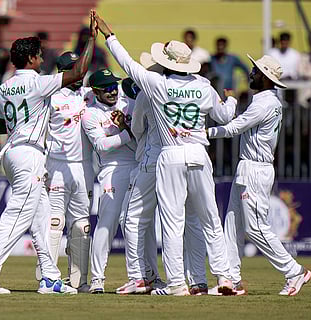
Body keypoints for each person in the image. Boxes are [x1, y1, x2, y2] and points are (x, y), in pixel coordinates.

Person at [95, 13, 237, 296]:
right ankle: (224, 277)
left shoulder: (156, 84)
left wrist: (109, 36)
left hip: (170, 155)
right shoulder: (203, 86)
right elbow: (224, 116)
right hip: (198, 152)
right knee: (209, 218)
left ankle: (176, 284)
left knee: (172, 222)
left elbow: (127, 64)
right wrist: (231, 98)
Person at [0, 11, 97, 294]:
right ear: (32, 59)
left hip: (12, 152)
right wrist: (91, 40)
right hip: (30, 154)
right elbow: (77, 72)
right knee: (19, 213)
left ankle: (50, 277)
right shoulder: (39, 82)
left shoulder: (4, 87)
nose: (43, 58)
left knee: (41, 216)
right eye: (40, 55)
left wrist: (22, 120)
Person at [207, 54, 311, 296]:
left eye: (255, 71)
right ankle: (232, 280)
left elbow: (235, 127)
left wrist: (202, 132)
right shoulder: (268, 99)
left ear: (265, 78)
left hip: (256, 168)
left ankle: (294, 271)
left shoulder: (264, 102)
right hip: (248, 167)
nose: (250, 74)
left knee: (256, 228)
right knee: (232, 225)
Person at [116, 55, 207, 296]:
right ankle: (195, 278)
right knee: (189, 220)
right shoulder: (187, 87)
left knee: (132, 218)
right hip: (185, 156)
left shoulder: (149, 91)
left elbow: (136, 128)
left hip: (153, 159)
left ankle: (140, 277)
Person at [81, 69, 138, 294]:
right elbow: (102, 146)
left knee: (138, 224)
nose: (113, 91)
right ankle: (97, 279)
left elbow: (138, 138)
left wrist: (125, 127)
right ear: (95, 91)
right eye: (106, 88)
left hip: (137, 165)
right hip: (112, 170)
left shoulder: (127, 104)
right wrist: (126, 133)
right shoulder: (90, 114)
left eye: (114, 86)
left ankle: (146, 277)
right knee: (107, 223)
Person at [41, 51, 94, 293]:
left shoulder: (88, 95)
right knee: (54, 223)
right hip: (57, 165)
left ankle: (79, 281)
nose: (80, 72)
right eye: (74, 69)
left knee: (81, 225)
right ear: (64, 72)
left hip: (84, 166)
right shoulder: (50, 97)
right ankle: (48, 277)